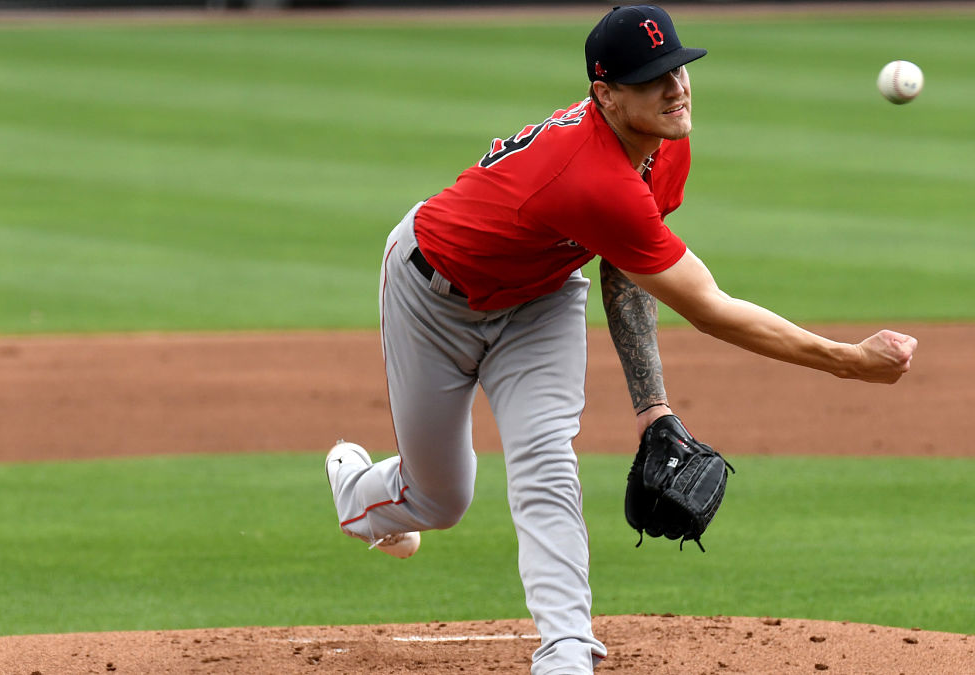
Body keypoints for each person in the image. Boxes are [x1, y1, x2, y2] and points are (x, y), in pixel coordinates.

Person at [324, 6, 917, 674]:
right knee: (440, 499)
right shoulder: (591, 175)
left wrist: (652, 408)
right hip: (432, 294)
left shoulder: (664, 140)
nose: (676, 89)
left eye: (679, 69)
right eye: (652, 79)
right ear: (605, 95)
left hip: (540, 299)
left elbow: (627, 269)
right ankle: (355, 487)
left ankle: (566, 649)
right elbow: (709, 308)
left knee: (546, 459)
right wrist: (847, 360)